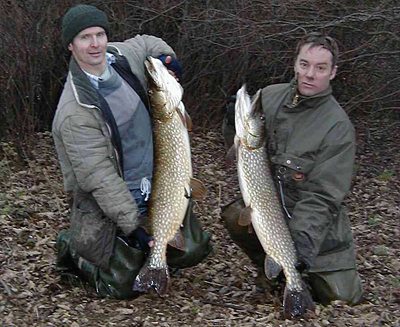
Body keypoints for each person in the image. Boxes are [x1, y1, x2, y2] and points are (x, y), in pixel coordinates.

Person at [52, 4, 212, 299]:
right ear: (71, 45)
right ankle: (74, 249)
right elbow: (100, 179)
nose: (96, 43)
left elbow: (148, 42)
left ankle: (145, 248)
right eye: (85, 37)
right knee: (123, 285)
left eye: (100, 34)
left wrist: (168, 59)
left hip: (154, 187)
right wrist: (135, 226)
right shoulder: (74, 112)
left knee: (195, 249)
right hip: (108, 205)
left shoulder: (122, 56)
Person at [221, 32, 364, 306]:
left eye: (320, 68)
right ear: (295, 64)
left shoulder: (338, 128)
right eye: (304, 64)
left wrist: (298, 248)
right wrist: (232, 125)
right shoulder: (269, 98)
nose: (310, 74)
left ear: (333, 72)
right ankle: (273, 273)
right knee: (236, 215)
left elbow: (322, 197)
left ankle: (294, 272)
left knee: (341, 297)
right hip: (270, 211)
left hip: (316, 227)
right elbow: (244, 150)